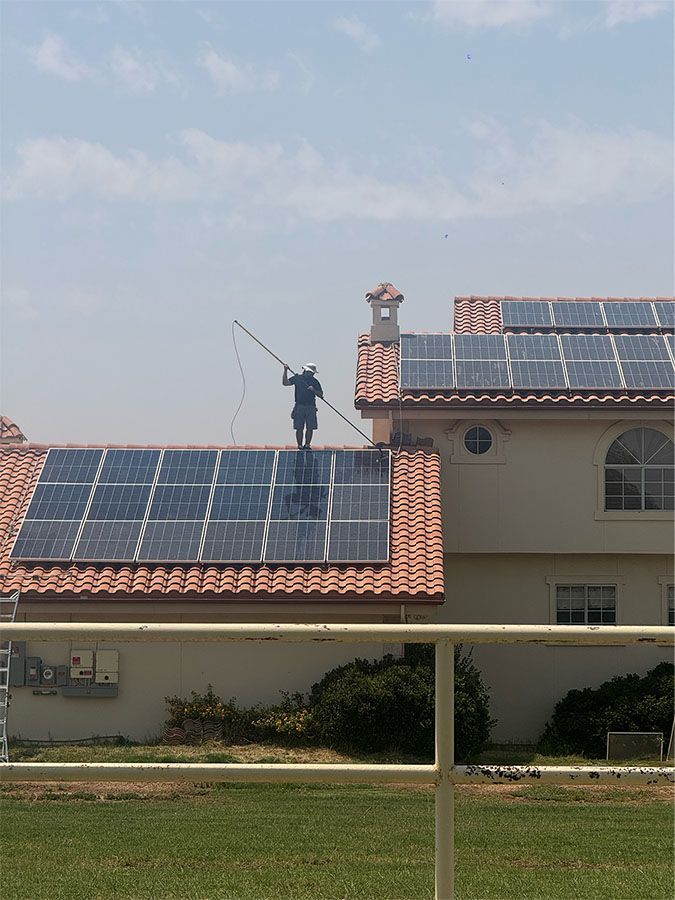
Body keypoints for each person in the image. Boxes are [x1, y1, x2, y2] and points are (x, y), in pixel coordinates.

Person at [283, 363, 323, 449]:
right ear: (305, 371)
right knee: (299, 427)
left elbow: (321, 395)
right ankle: (300, 445)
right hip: (299, 406)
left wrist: (314, 390)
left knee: (310, 427)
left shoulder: (315, 382)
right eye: (311, 373)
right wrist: (285, 371)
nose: (312, 374)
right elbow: (285, 383)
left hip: (311, 406)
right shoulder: (298, 378)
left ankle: (307, 444)